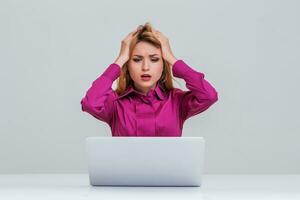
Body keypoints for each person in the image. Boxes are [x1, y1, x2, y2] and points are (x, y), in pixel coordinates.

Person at [80, 22, 218, 137]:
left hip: (169, 170)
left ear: (163, 65)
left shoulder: (176, 101)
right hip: (125, 171)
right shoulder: (115, 103)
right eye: (137, 59)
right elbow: (90, 104)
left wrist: (172, 58)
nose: (145, 67)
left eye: (154, 59)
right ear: (128, 65)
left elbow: (209, 96)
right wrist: (120, 60)